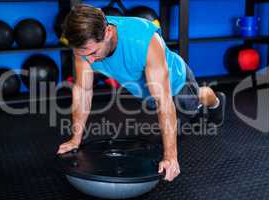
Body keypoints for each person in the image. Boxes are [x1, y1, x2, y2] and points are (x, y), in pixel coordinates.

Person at [56, 4, 226, 182]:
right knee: (171, 124)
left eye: (93, 53)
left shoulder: (144, 39)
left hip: (177, 82)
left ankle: (213, 100)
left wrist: (170, 157)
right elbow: (83, 90)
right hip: (146, 90)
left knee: (190, 108)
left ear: (108, 32)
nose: (89, 60)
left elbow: (164, 101)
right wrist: (76, 139)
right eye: (83, 54)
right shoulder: (83, 45)